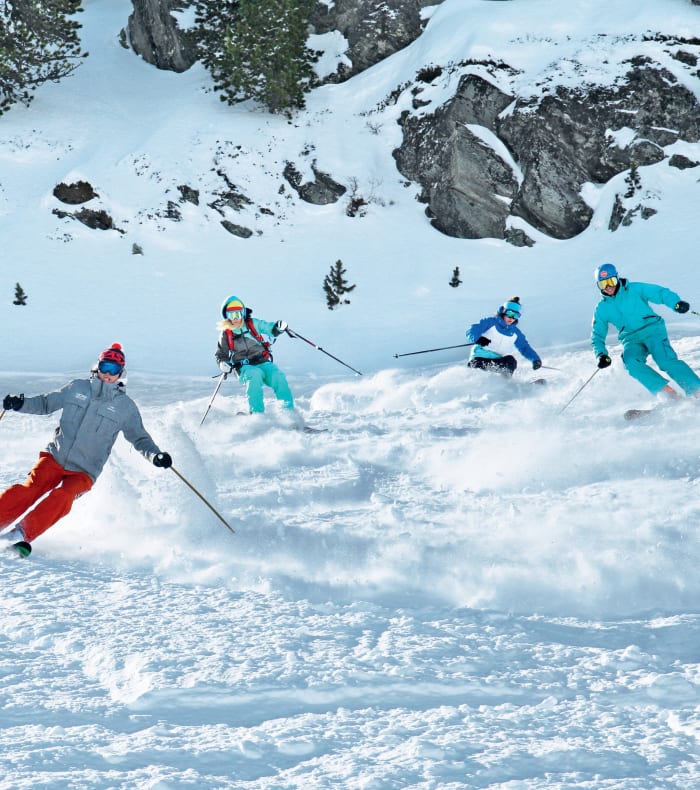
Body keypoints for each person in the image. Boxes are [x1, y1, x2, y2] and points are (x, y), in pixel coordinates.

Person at [0, 343, 172, 548]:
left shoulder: (125, 408)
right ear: (97, 367)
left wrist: (155, 456)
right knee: (29, 490)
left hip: (84, 472)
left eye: (114, 370)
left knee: (63, 496)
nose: (107, 374)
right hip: (55, 457)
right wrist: (21, 404)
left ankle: (20, 534)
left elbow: (139, 438)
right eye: (104, 367)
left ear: (121, 373)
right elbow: (46, 403)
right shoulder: (77, 388)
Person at [591, 263, 700, 398]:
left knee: (664, 359)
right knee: (630, 362)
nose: (608, 287)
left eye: (611, 281)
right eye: (603, 284)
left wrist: (676, 303)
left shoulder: (635, 289)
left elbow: (660, 293)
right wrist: (601, 355)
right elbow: (597, 336)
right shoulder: (602, 308)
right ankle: (667, 393)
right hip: (631, 339)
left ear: (617, 278)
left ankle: (696, 389)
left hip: (652, 330)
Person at [215, 295, 294, 414]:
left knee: (278, 376)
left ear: (243, 313)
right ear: (226, 316)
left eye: (239, 313)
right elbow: (221, 354)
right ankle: (257, 415)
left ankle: (289, 414)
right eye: (232, 315)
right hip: (243, 367)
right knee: (254, 376)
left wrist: (277, 328)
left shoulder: (252, 324)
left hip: (262, 361)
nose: (236, 318)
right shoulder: (226, 333)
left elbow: (269, 328)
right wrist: (223, 363)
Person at [466, 296, 542, 376]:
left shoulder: (515, 333)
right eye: (510, 313)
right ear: (503, 312)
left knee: (511, 361)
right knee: (508, 362)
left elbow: (524, 347)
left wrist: (535, 359)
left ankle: (504, 384)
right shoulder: (491, 322)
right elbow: (472, 330)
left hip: (496, 362)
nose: (512, 318)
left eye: (516, 315)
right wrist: (478, 339)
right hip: (479, 360)